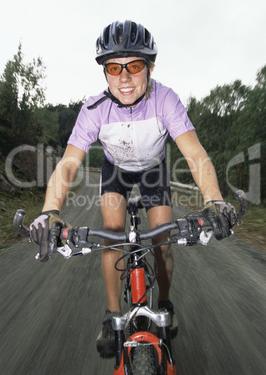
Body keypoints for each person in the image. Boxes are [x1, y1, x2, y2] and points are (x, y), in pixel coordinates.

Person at [30, 20, 237, 358]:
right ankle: (113, 316)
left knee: (162, 243)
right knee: (112, 234)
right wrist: (49, 211)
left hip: (154, 169)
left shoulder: (166, 99)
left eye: (134, 65)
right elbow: (68, 164)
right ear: (105, 73)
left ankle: (165, 303)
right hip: (116, 170)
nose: (124, 77)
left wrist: (215, 200)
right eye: (114, 67)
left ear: (150, 67)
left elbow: (195, 154)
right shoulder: (93, 109)